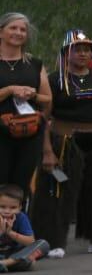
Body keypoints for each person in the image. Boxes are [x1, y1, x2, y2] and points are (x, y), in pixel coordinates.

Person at [40, 30, 92, 255]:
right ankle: (53, 242)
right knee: (59, 190)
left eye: (87, 49)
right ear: (67, 52)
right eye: (77, 49)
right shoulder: (55, 80)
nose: (83, 53)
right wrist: (47, 150)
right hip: (65, 141)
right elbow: (43, 117)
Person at [0, 12, 50, 202]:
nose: (19, 33)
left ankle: (19, 228)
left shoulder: (35, 64)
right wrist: (10, 90)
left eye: (23, 29)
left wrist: (33, 95)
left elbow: (47, 99)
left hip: (29, 133)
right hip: (1, 133)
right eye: (13, 28)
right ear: (1, 32)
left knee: (22, 186)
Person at [1, 184, 48, 272]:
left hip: (14, 254)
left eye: (13, 208)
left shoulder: (21, 218)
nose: (7, 211)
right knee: (28, 262)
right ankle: (14, 264)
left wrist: (10, 232)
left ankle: (5, 264)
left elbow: (30, 241)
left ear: (19, 208)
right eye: (2, 207)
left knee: (43, 244)